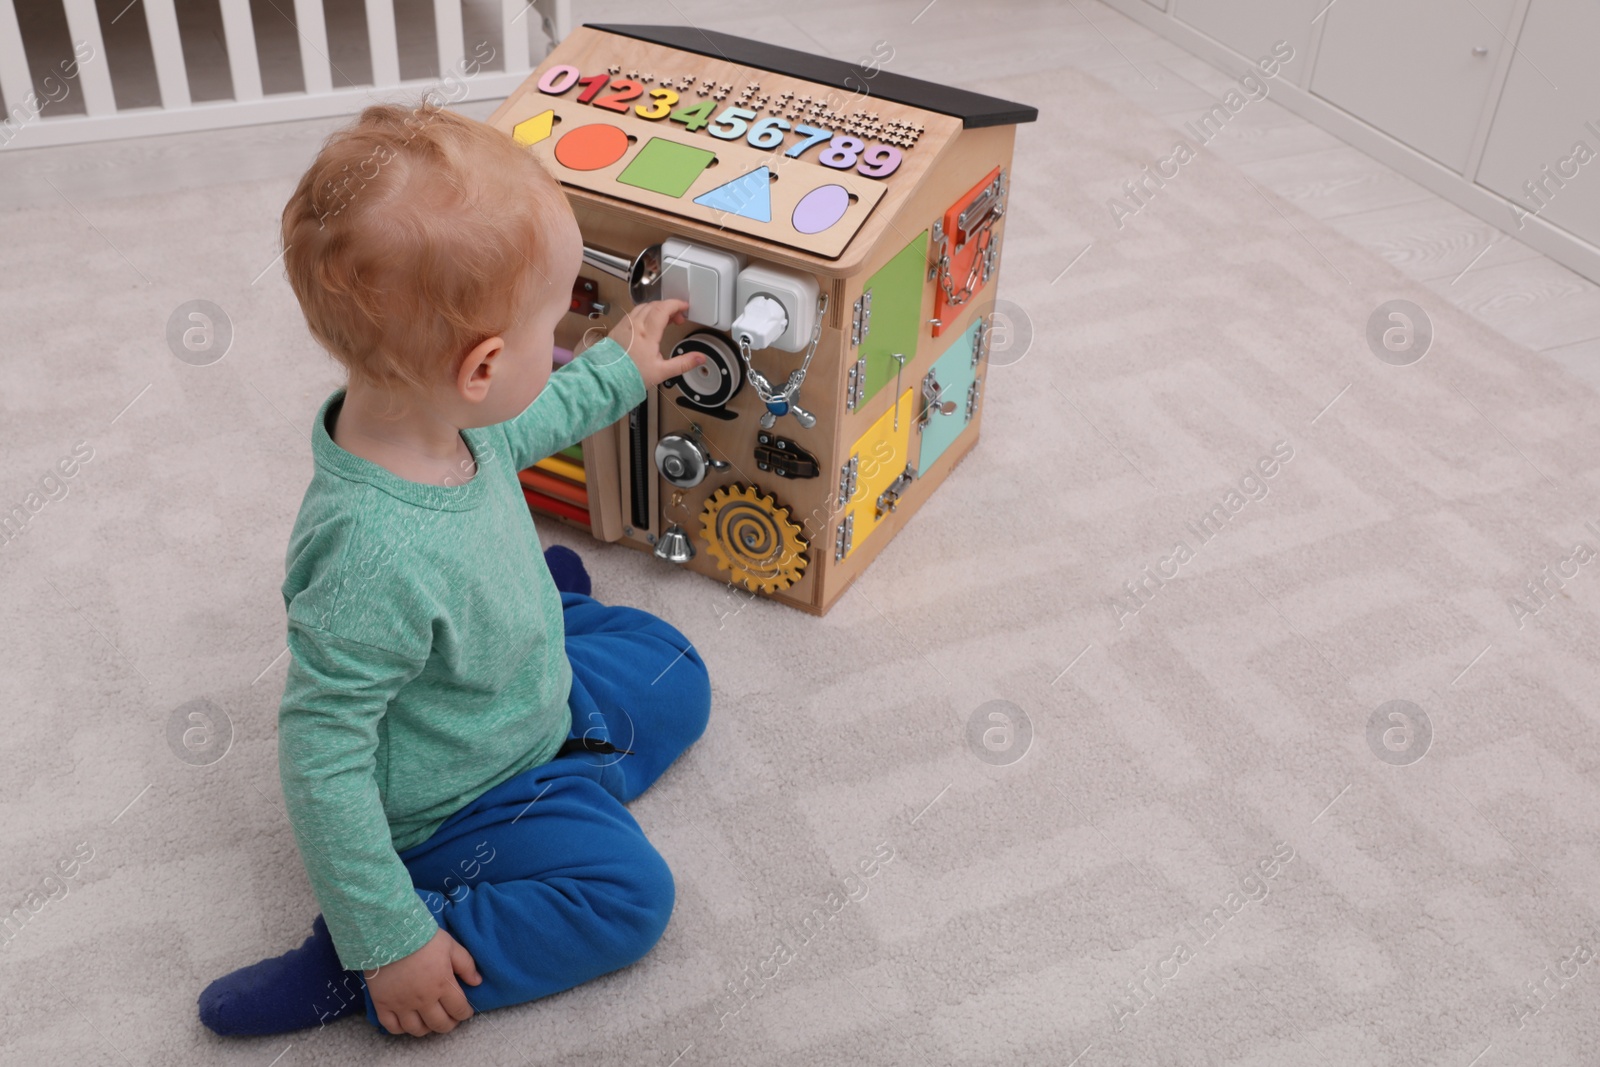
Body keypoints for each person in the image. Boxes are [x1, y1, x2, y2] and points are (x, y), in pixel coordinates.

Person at [197, 98, 712, 1039]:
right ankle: (367, 958)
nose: (562, 337)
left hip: (523, 692)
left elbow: (531, 422)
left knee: (677, 671)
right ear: (480, 366)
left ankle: (530, 608)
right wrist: (385, 937)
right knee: (630, 895)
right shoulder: (370, 555)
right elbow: (322, 763)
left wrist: (622, 369)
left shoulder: (438, 415)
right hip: (463, 800)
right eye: (553, 324)